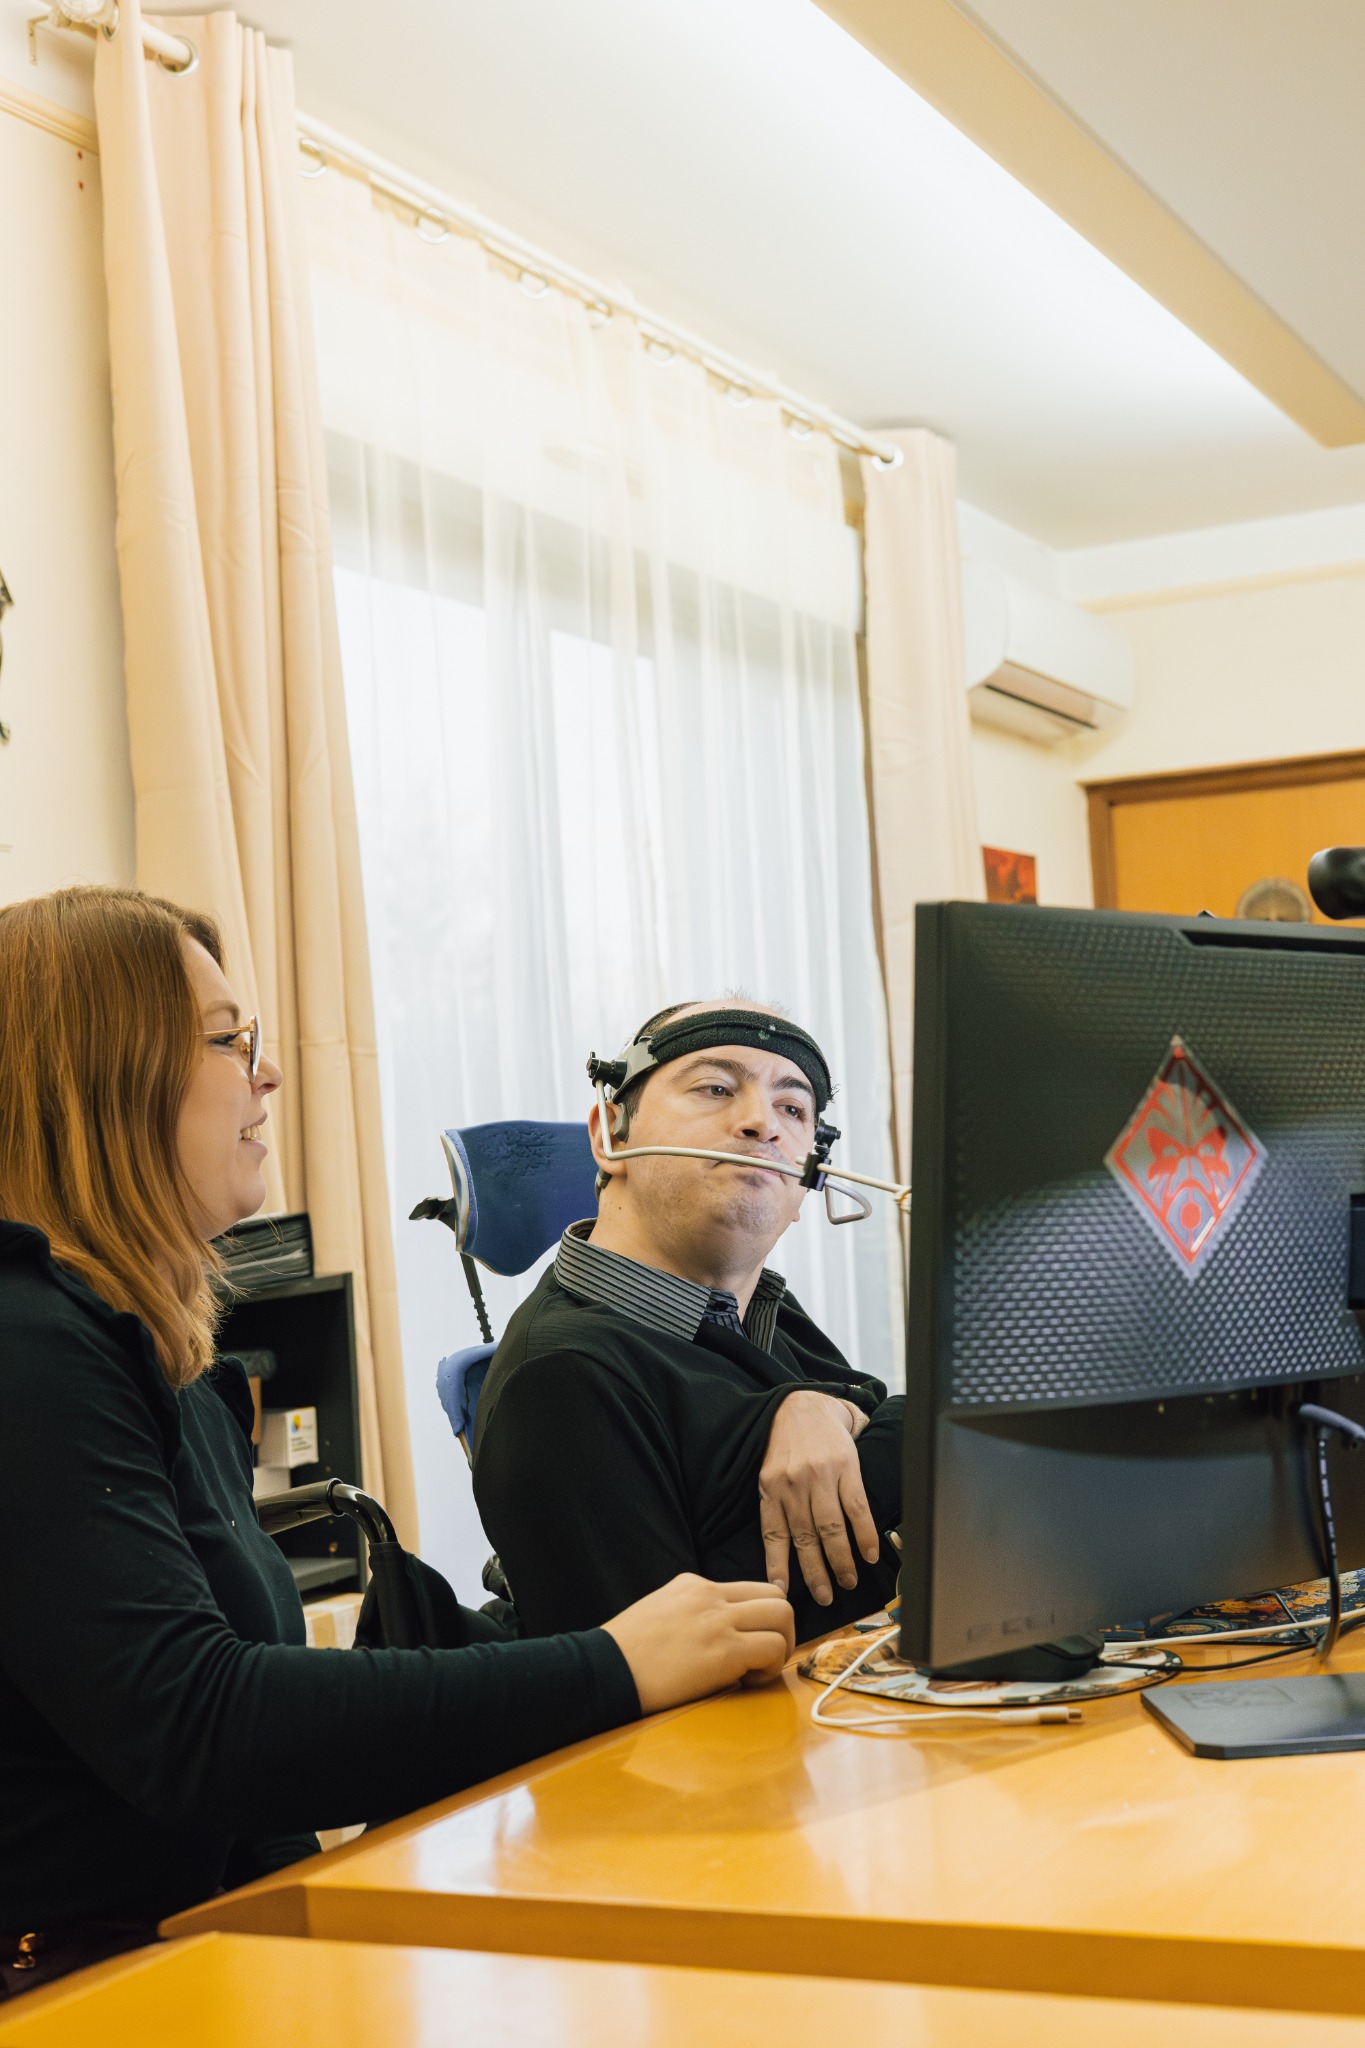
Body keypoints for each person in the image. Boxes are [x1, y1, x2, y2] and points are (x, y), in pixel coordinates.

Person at [0, 890, 794, 1999]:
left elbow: (227, 1795)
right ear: (103, 1070)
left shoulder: (162, 1354)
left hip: (175, 1945)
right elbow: (198, 1725)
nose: (266, 1075)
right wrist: (614, 1663)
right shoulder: (27, 1343)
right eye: (231, 1041)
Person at [472, 1000, 903, 1644]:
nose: (762, 1123)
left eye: (793, 1108)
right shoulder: (563, 1379)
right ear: (611, 1135)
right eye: (716, 1088)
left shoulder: (761, 1313)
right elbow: (657, 1684)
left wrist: (820, 1408)